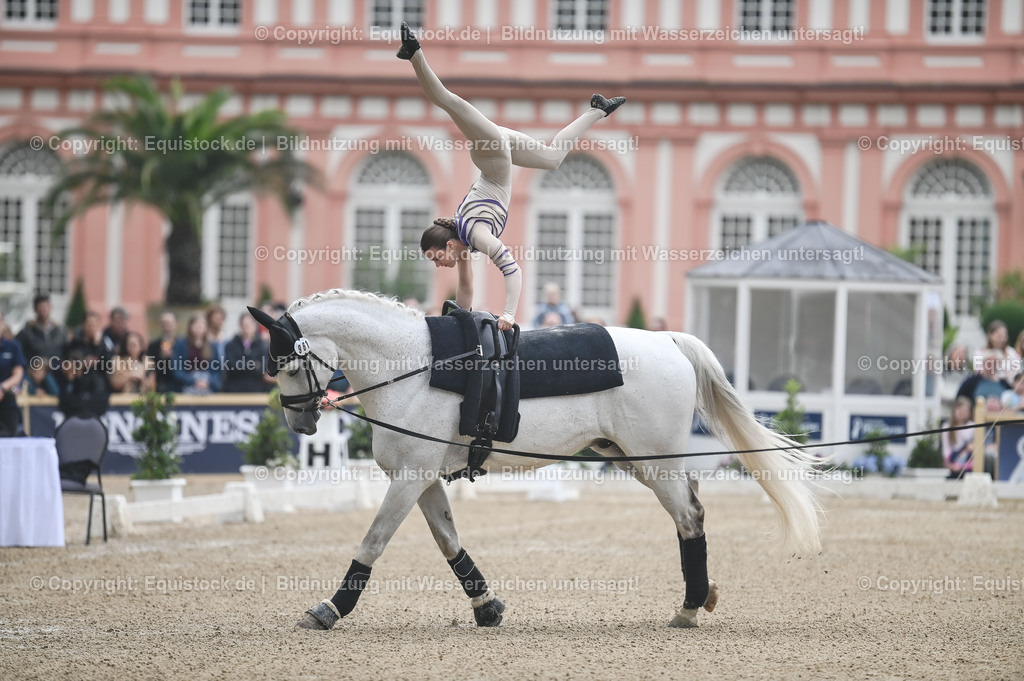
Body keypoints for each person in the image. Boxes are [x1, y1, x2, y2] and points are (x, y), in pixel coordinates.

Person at [403, 22, 625, 330]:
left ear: (449, 246)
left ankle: (414, 53)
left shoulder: (475, 235)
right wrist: (455, 325)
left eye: (435, 257)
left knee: (449, 102)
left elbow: (513, 270)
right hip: (500, 152)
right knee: (552, 159)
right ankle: (598, 110)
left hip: (493, 152)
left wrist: (508, 315)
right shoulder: (464, 246)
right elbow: (465, 289)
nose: (438, 265)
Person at [16, 293, 66, 396]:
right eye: (40, 307)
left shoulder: (60, 332)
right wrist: (32, 370)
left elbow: (66, 354)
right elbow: (18, 356)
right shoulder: (26, 333)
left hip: (55, 377)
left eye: (46, 307)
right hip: (32, 377)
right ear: (35, 309)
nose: (44, 310)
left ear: (50, 308)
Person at [172, 312, 221, 394]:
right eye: (196, 323)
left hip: (207, 386)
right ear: (190, 326)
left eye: (202, 324)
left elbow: (217, 370)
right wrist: (193, 381)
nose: (199, 326)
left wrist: (208, 382)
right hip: (186, 386)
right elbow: (176, 369)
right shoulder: (181, 344)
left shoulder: (212, 346)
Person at [222, 313, 272, 393]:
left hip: (256, 388)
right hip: (234, 388)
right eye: (244, 325)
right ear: (240, 326)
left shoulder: (262, 346)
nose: (247, 327)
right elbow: (230, 366)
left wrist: (241, 365)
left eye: (250, 324)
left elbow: (262, 369)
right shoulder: (231, 345)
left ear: (255, 326)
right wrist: (253, 365)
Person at [64, 311, 115, 387]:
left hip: (99, 385)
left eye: (95, 325)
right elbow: (67, 362)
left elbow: (109, 364)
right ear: (83, 325)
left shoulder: (104, 342)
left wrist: (98, 345)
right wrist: (83, 363)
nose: (92, 328)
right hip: (79, 384)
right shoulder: (75, 342)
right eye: (89, 325)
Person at [57, 348, 110, 419]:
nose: (65, 368)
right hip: (72, 418)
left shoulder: (92, 378)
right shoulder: (64, 380)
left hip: (92, 417)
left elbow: (100, 399)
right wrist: (69, 381)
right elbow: (63, 400)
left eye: (68, 365)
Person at [0, 310, 26, 436]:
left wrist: (2, 388)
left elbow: (18, 374)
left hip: (7, 402)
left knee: (9, 438)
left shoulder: (13, 347)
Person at [941, 396, 976, 478]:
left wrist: (962, 466)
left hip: (967, 463)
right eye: (960, 410)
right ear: (954, 410)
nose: (962, 413)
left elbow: (974, 451)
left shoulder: (973, 426)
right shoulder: (947, 426)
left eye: (965, 411)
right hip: (952, 461)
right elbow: (946, 450)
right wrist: (950, 464)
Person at [146, 310, 180, 392]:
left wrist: (173, 357)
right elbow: (150, 366)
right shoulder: (153, 345)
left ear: (176, 324)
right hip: (159, 385)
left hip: (179, 384)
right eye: (163, 323)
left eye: (169, 323)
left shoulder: (182, 344)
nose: (166, 327)